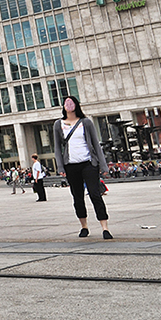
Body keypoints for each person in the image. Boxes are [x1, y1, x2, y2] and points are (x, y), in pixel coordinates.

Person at [54, 96, 112, 240]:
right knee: (77, 197)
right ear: (63, 106)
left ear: (76, 105)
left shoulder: (86, 122)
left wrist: (103, 165)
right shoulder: (58, 124)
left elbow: (95, 144)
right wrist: (60, 166)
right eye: (66, 102)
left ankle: (105, 227)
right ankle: (84, 226)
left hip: (88, 163)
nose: (69, 104)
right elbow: (57, 147)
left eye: (71, 102)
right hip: (71, 165)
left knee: (95, 194)